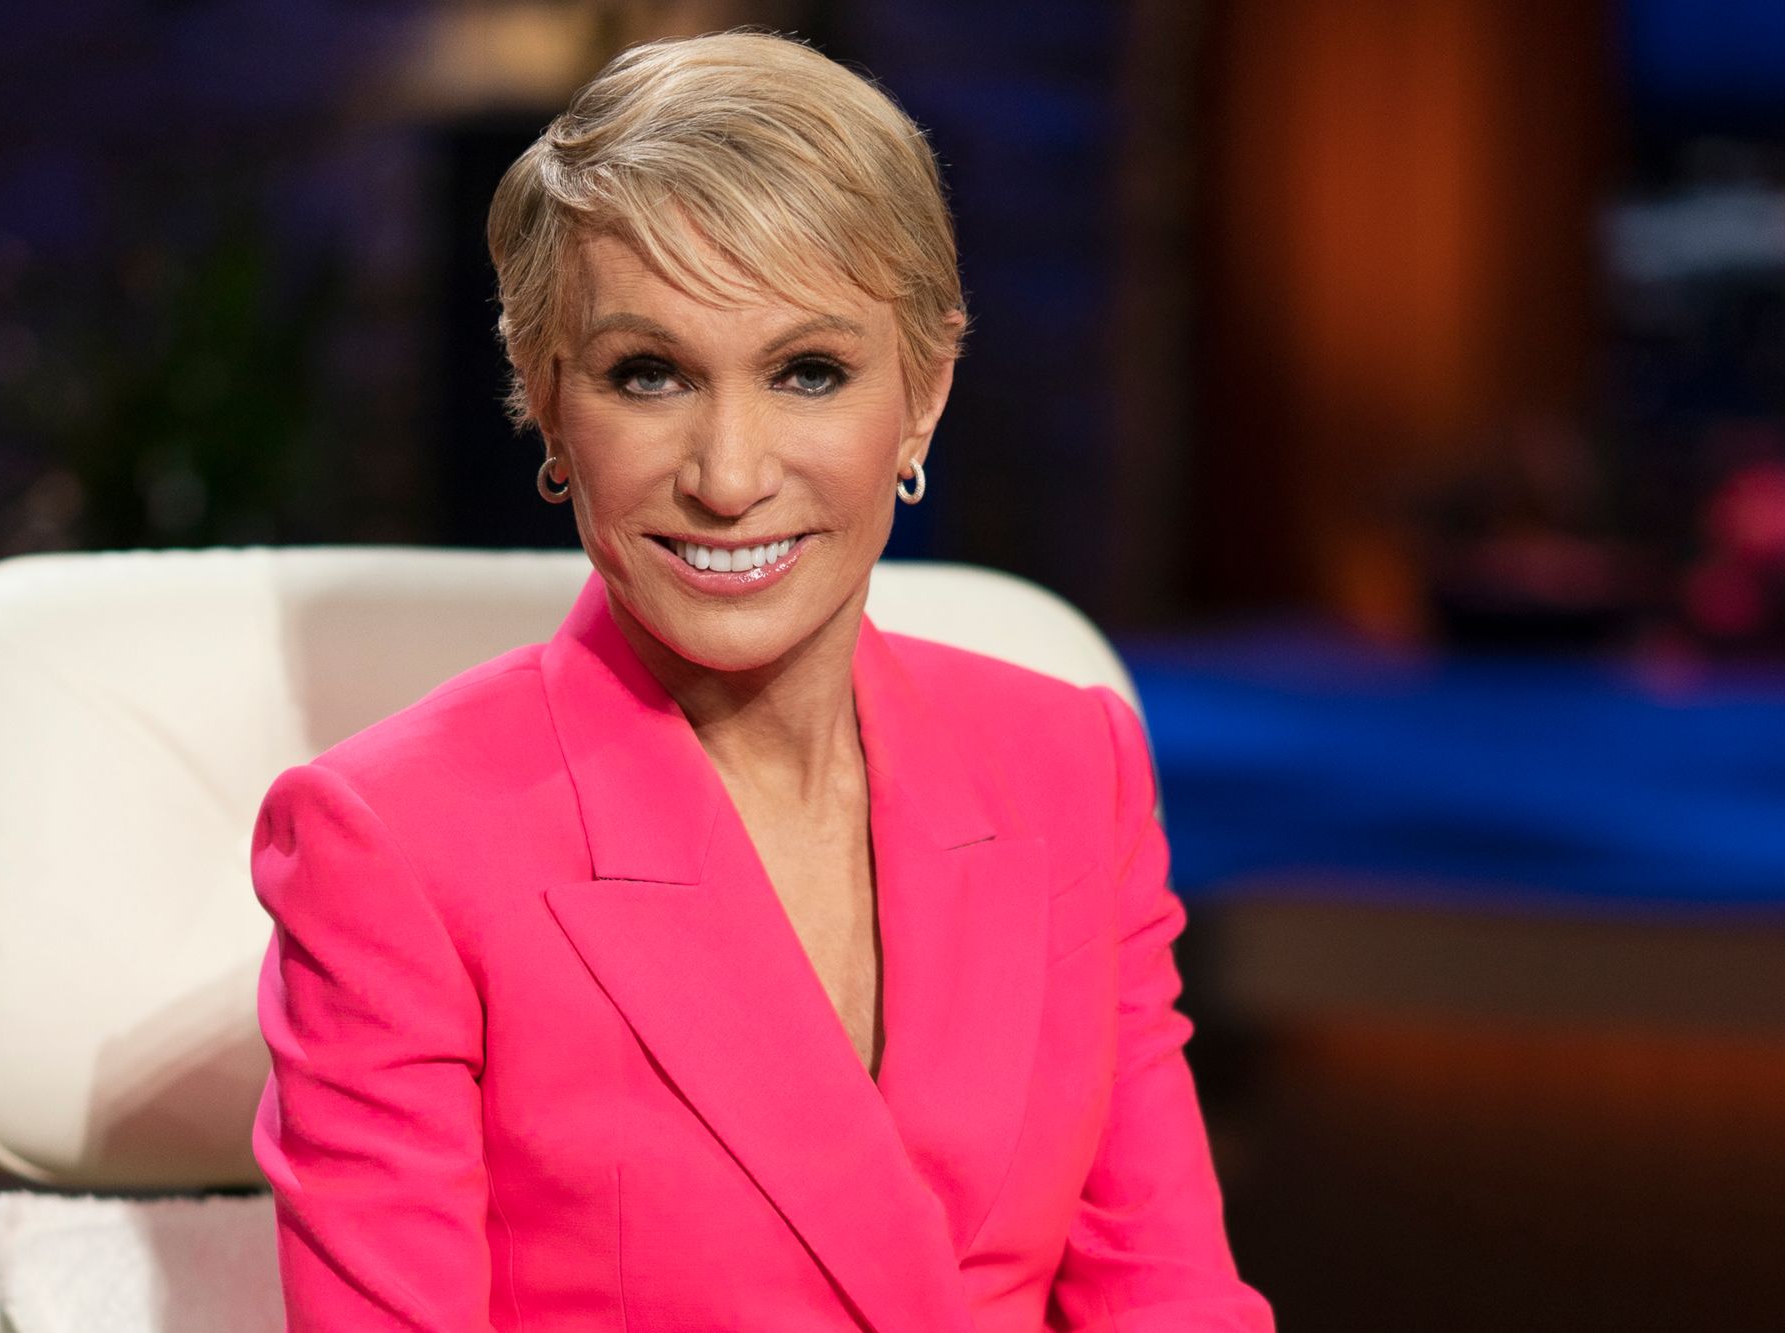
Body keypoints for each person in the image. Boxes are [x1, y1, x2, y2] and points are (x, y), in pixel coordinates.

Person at [249, 29, 1273, 1332]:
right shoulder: (392, 845)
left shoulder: (1073, 765)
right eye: (650, 374)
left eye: (808, 373)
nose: (729, 476)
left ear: (921, 398)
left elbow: (1168, 1299)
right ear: (552, 408)